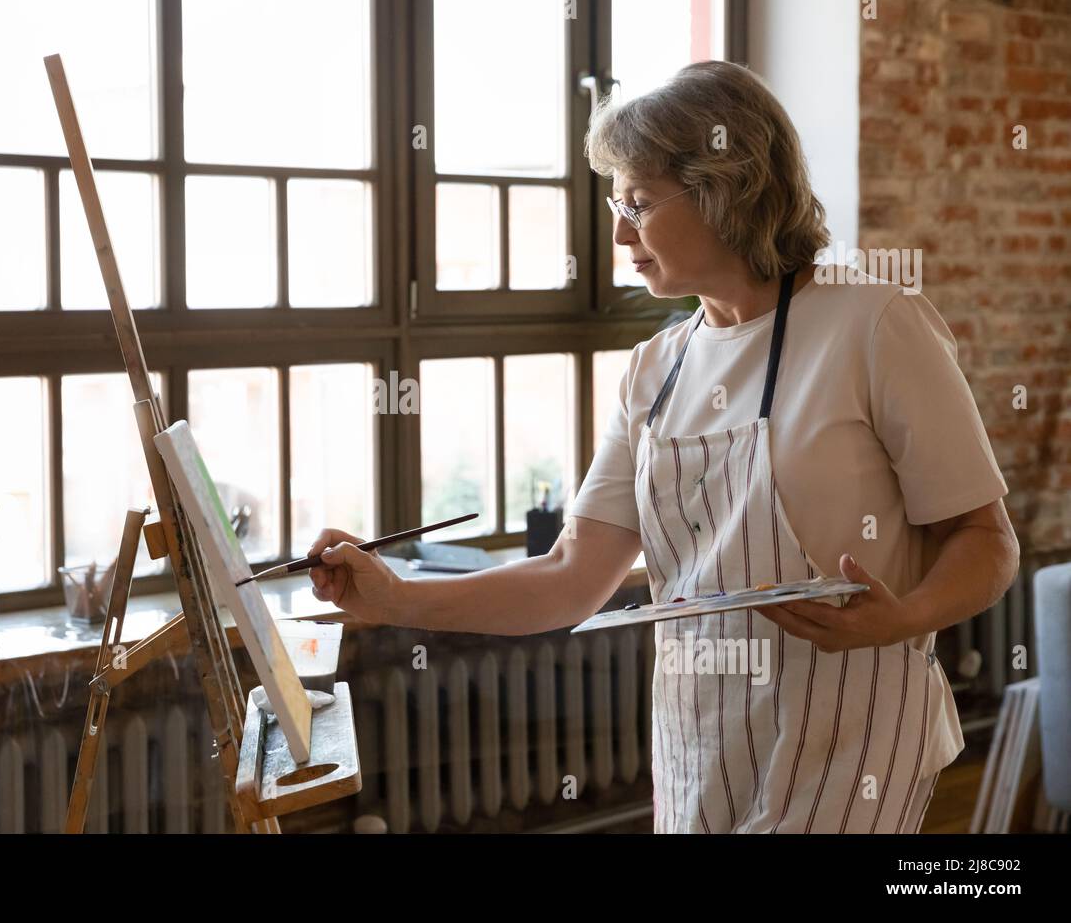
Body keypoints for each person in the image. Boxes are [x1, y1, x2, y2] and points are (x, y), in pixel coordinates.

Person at [306, 61, 1019, 833]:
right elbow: (569, 576)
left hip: (852, 742)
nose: (618, 232)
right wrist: (394, 598)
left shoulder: (873, 323)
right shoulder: (656, 368)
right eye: (618, 203)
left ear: (727, 187)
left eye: (639, 204)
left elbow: (986, 541)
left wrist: (903, 617)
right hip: (700, 746)